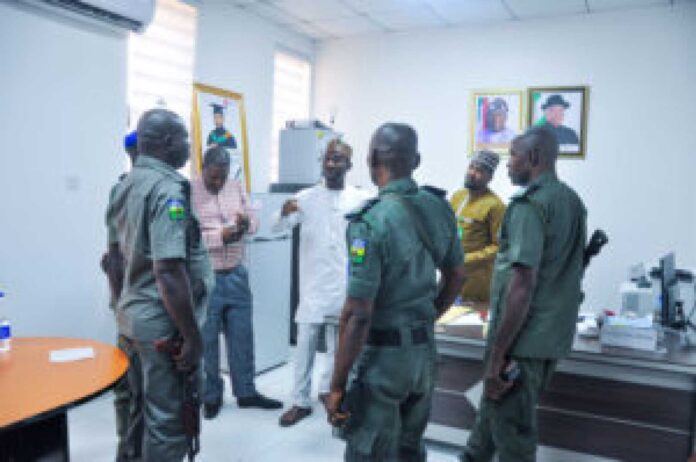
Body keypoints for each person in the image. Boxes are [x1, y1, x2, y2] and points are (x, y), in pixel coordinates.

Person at [324, 123, 466, 461]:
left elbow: (358, 313)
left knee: (369, 452)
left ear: (372, 159)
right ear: (416, 160)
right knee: (409, 449)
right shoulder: (440, 208)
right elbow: (457, 275)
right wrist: (427, 315)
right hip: (424, 357)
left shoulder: (369, 222)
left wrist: (337, 386)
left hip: (382, 362)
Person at [459, 126, 587, 462]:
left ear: (533, 157)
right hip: (548, 337)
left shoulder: (529, 206)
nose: (508, 165)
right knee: (489, 421)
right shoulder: (571, 201)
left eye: (513, 156)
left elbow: (523, 284)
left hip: (521, 342)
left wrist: (499, 354)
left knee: (514, 437)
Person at [107, 108, 215, 461]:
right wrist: (193, 337)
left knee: (137, 413)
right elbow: (168, 271)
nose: (189, 146)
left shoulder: (125, 185)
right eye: (185, 138)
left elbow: (114, 261)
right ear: (168, 143)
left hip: (132, 322)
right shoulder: (168, 190)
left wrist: (121, 307)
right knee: (168, 426)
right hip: (163, 330)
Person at [273, 139, 371, 427]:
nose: (331, 164)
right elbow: (275, 228)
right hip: (313, 286)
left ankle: (329, 393)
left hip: (344, 284)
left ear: (349, 165)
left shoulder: (360, 198)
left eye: (338, 159)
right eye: (328, 159)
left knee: (337, 347)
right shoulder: (304, 197)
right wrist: (282, 212)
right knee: (304, 345)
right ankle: (300, 402)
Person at [191, 145, 282, 419]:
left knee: (242, 337)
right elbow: (188, 238)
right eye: (213, 177)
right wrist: (221, 237)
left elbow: (254, 221)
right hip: (206, 277)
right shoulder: (188, 190)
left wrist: (245, 225)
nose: (218, 183)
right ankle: (211, 396)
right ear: (203, 168)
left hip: (237, 274)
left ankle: (246, 392)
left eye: (223, 176)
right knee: (207, 342)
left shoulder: (236, 186)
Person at [101, 130, 143, 461]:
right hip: (133, 304)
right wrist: (120, 305)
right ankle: (126, 449)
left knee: (139, 388)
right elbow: (114, 255)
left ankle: (133, 448)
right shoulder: (123, 190)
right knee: (128, 386)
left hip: (144, 304)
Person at [449, 151, 506, 304]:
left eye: (479, 170)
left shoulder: (495, 206)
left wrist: (465, 259)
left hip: (476, 284)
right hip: (450, 278)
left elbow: (498, 248)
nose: (472, 173)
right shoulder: (457, 197)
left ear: (490, 177)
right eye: (471, 167)